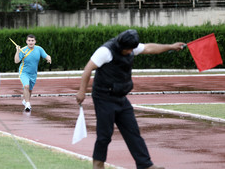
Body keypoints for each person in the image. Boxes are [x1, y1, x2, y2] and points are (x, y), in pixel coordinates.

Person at [76, 29, 185, 169]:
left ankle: (145, 165)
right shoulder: (105, 51)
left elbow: (149, 48)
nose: (130, 52)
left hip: (121, 97)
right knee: (105, 136)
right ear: (122, 46)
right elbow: (87, 69)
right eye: (128, 50)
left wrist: (170, 46)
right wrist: (81, 92)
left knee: (133, 131)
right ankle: (98, 165)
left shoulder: (131, 47)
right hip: (104, 98)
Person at [14, 34, 51, 112]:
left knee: (30, 90)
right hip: (24, 72)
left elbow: (46, 55)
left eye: (32, 40)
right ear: (26, 41)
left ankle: (25, 101)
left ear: (35, 41)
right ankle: (27, 104)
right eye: (29, 40)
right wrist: (17, 51)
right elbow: (16, 61)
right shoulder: (23, 50)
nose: (31, 42)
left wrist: (48, 59)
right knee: (26, 86)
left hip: (33, 74)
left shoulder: (39, 49)